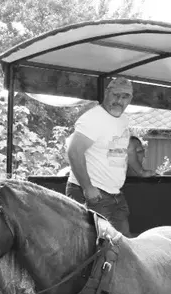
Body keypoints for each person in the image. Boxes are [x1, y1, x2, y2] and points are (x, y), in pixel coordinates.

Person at [65, 77, 153, 236]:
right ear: (107, 93)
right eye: (116, 95)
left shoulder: (123, 120)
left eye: (125, 97)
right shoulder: (93, 118)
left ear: (130, 99)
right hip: (92, 194)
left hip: (115, 194)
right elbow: (74, 152)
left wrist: (141, 172)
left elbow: (125, 150)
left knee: (122, 244)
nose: (119, 101)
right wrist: (87, 188)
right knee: (92, 247)